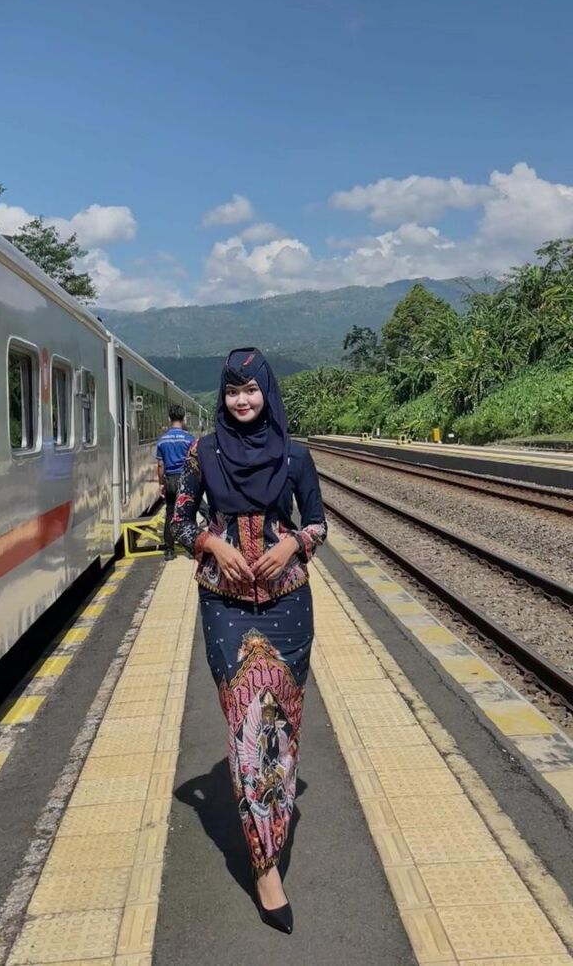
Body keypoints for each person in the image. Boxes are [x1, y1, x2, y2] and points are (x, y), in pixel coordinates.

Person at [172, 349, 327, 934]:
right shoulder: (203, 452)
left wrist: (293, 545)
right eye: (232, 391)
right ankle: (265, 870)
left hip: (289, 604)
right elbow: (179, 522)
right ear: (224, 396)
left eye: (251, 390)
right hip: (225, 606)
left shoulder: (295, 455)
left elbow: (317, 522)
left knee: (281, 733)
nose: (241, 400)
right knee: (246, 730)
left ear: (267, 391)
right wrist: (212, 543)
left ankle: (275, 826)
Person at [156, 405, 194, 560]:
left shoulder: (162, 440)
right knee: (188, 513)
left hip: (170, 479)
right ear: (183, 418)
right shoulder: (189, 439)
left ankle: (169, 550)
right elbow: (194, 462)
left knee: (170, 513)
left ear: (169, 419)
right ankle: (190, 549)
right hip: (185, 479)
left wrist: (161, 483)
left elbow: (160, 465)